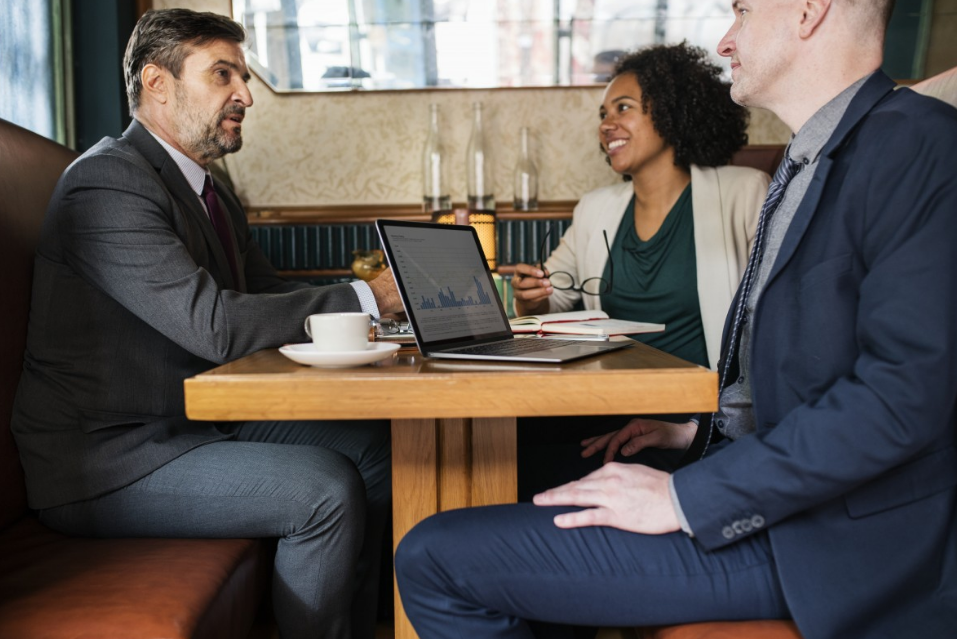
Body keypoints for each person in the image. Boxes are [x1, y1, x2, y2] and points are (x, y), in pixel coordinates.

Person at [395, 1, 957, 638]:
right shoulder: (806, 163)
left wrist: (683, 497)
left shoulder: (919, 142)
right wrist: (694, 436)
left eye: (742, 12)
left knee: (432, 557)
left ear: (808, 11)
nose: (724, 40)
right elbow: (805, 381)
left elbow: (902, 399)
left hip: (839, 547)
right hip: (783, 504)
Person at [11, 9, 402, 639]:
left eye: (242, 77)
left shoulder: (209, 191)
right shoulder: (107, 181)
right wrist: (365, 297)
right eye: (223, 74)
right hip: (110, 456)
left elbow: (266, 296)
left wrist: (378, 317)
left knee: (377, 452)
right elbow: (214, 325)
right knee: (326, 488)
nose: (245, 94)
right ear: (157, 82)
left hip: (194, 422)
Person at [513, 43, 769, 497]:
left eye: (623, 108)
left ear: (670, 114)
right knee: (499, 444)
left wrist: (697, 422)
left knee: (525, 472)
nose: (606, 124)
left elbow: (767, 328)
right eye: (602, 112)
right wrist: (530, 295)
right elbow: (553, 294)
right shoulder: (595, 209)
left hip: (695, 418)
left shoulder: (742, 193)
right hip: (604, 401)